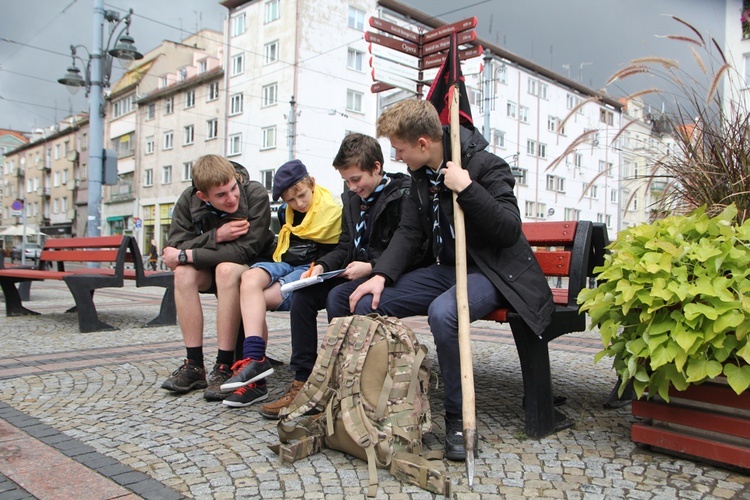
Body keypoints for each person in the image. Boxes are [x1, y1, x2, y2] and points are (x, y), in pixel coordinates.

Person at [330, 99, 555, 462]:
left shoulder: (483, 165)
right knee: (352, 299)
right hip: (445, 270)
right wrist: (381, 275)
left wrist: (467, 189)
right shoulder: (422, 178)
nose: (397, 157)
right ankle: (365, 401)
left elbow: (509, 230)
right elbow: (408, 232)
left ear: (422, 143)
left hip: (492, 271)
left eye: (399, 149)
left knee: (443, 313)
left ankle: (457, 418)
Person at [258, 132, 425, 419]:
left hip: (387, 274)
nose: (351, 186)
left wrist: (373, 267)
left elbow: (412, 248)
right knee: (303, 296)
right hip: (353, 270)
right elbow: (346, 245)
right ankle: (304, 379)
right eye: (346, 181)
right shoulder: (351, 198)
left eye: (356, 179)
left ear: (376, 167)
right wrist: (322, 265)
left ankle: (343, 381)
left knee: (338, 298)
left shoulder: (402, 194)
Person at [218, 159, 342, 408]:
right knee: (249, 279)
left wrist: (321, 266)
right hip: (285, 261)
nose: (299, 203)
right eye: (291, 200)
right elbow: (284, 248)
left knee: (257, 300)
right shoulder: (286, 212)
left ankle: (256, 375)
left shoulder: (333, 210)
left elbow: (343, 249)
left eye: (302, 195)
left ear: (312, 184)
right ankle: (254, 361)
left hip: (311, 267)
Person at [160, 154, 275, 400]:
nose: (231, 197)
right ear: (203, 196)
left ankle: (223, 366)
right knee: (183, 273)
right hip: (211, 268)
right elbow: (176, 246)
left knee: (225, 269)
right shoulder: (189, 201)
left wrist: (187, 253)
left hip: (249, 268)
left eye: (233, 188)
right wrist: (216, 236)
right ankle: (194, 365)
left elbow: (245, 250)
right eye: (221, 195)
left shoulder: (254, 193)